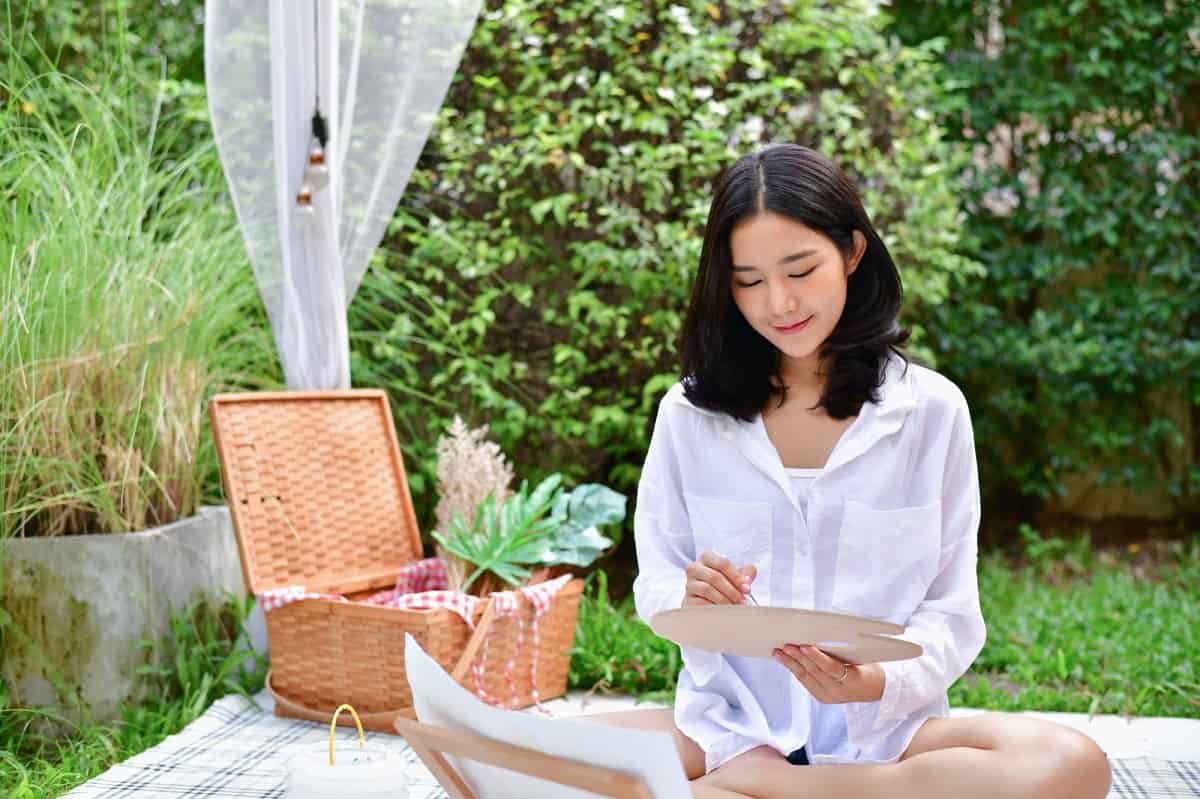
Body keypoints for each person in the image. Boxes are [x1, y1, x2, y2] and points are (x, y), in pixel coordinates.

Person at [582, 145, 1112, 799]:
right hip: (729, 728)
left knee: (1072, 762)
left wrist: (875, 683)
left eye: (800, 269)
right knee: (510, 758)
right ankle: (773, 780)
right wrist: (689, 597)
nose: (778, 302)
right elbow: (659, 581)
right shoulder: (691, 414)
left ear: (853, 252)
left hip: (886, 734)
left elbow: (951, 611)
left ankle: (766, 789)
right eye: (748, 280)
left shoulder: (931, 412)